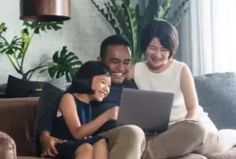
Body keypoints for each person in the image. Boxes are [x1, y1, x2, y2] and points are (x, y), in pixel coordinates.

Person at [128, 19, 236, 157]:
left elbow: (193, 108)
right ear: (144, 46)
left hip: (189, 124)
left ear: (171, 50)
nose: (157, 55)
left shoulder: (180, 69)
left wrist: (184, 128)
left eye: (164, 50)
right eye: (152, 48)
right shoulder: (137, 70)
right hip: (163, 132)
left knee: (212, 144)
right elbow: (114, 78)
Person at [38, 35, 145, 159]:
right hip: (104, 136)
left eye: (126, 62)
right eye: (115, 61)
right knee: (132, 132)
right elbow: (54, 108)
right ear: (100, 60)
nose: (121, 68)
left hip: (119, 138)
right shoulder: (87, 86)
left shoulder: (131, 86)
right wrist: (44, 135)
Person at [48, 61, 117, 159]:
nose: (107, 89)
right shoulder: (68, 98)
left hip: (76, 145)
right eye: (103, 83)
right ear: (88, 80)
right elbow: (77, 133)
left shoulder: (89, 105)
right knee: (86, 148)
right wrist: (107, 115)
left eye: (109, 86)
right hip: (60, 145)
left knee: (101, 142)